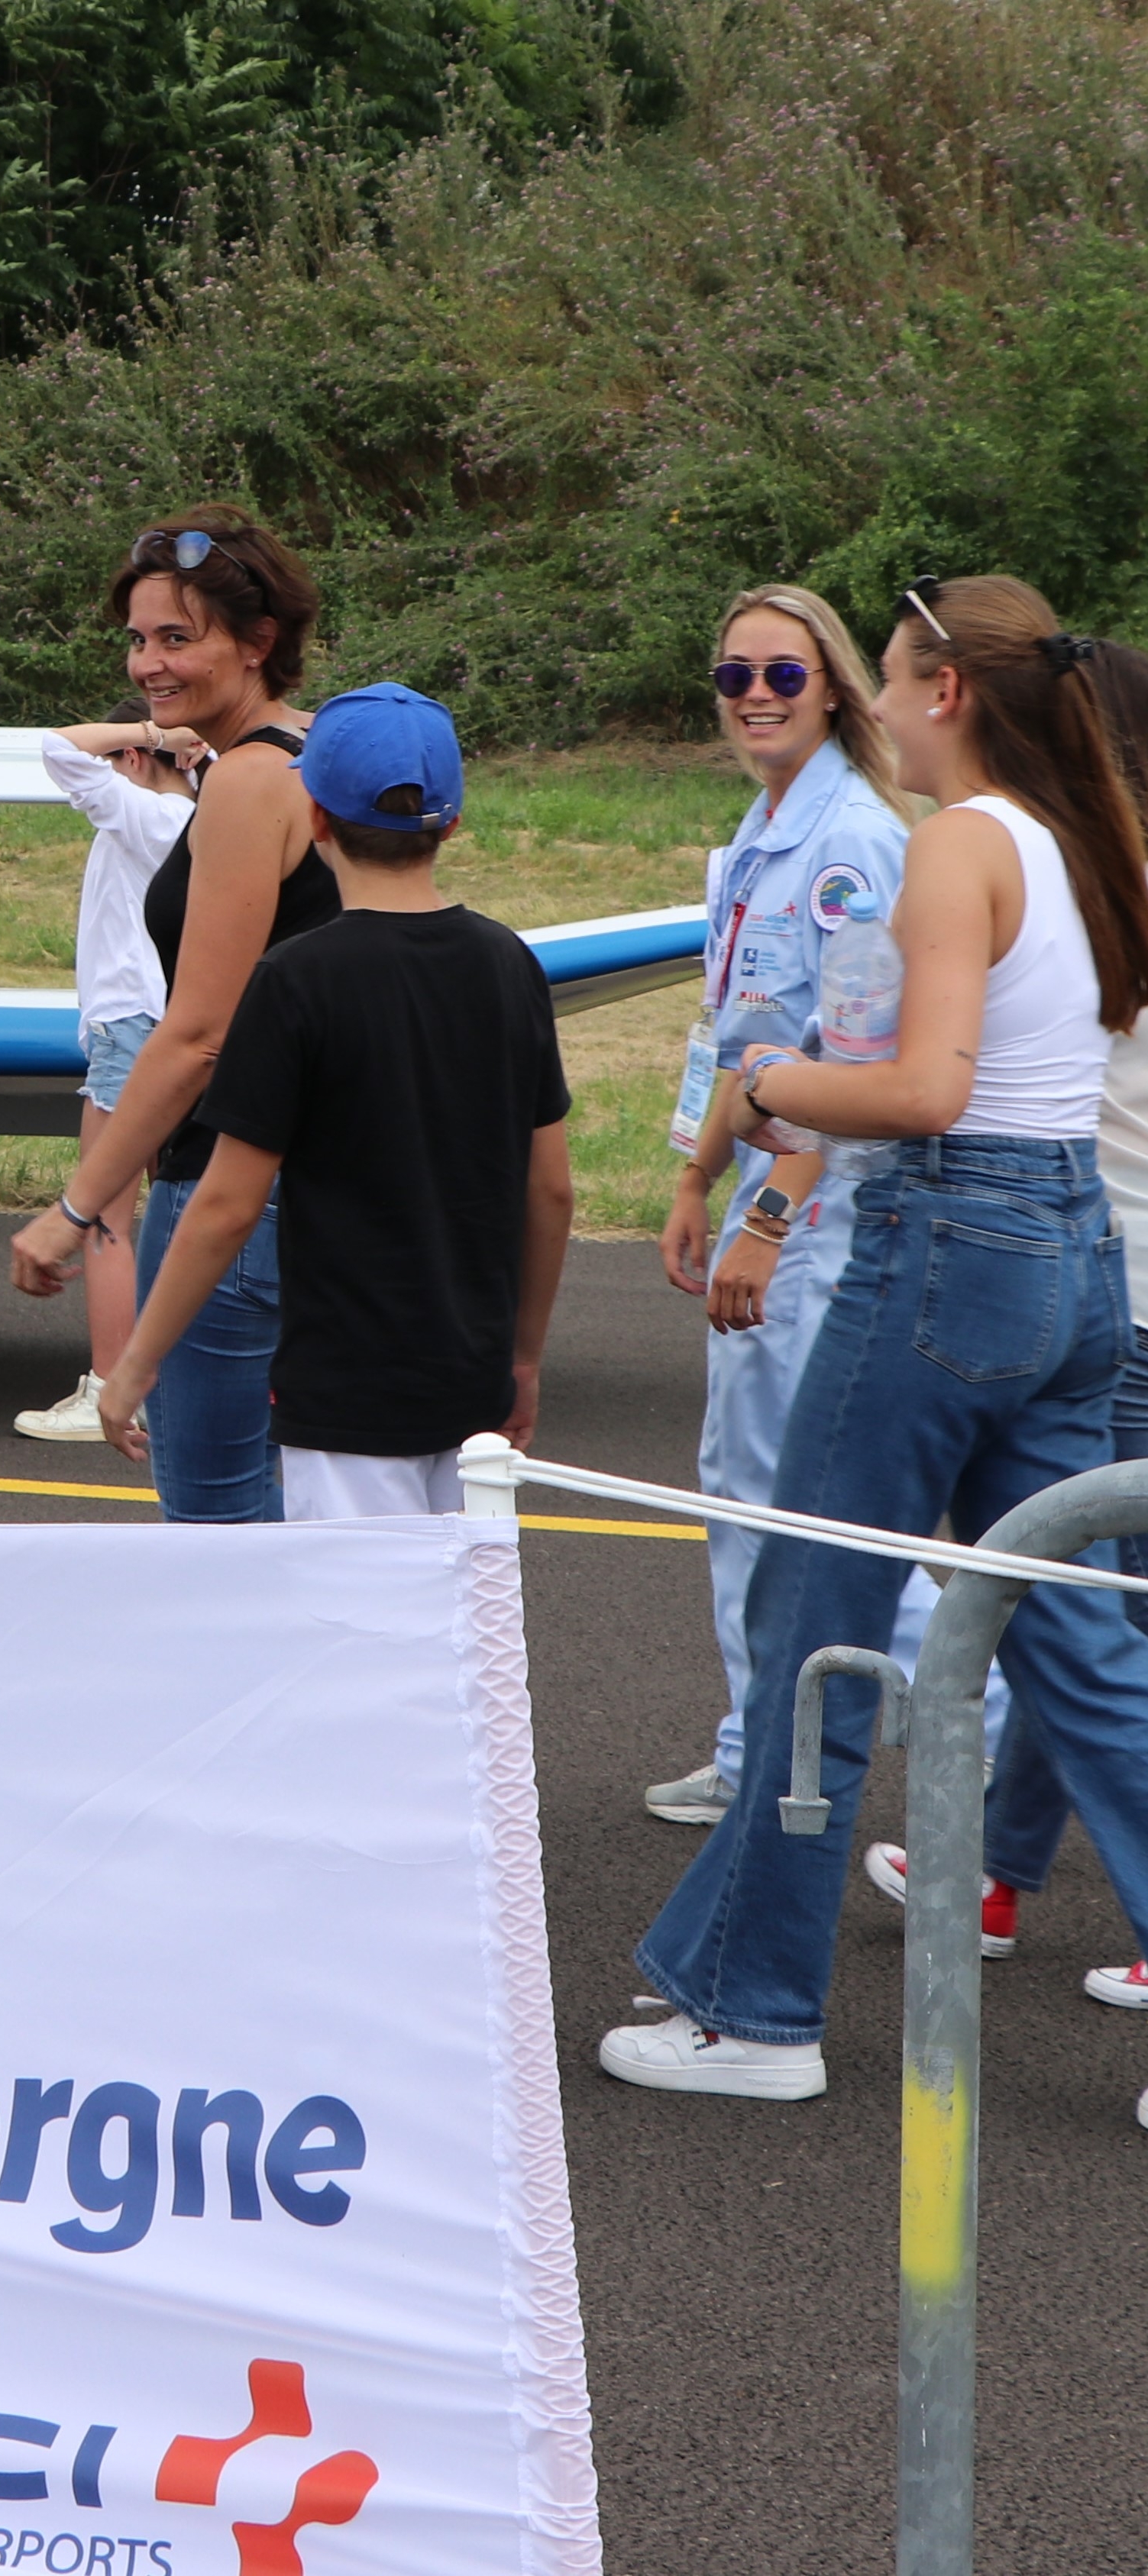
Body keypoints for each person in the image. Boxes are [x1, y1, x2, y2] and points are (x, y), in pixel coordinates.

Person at [604, 575, 1148, 2117]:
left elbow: (918, 1090)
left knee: (816, 1625)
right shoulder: (1067, 839)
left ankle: (755, 2008)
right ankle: (743, 1985)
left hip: (942, 1248)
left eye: (892, 681)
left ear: (942, 690)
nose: (878, 711)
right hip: (1065, 1251)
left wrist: (764, 1081)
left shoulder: (958, 844)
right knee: (1078, 1645)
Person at [646, 589, 1008, 1829]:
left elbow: (853, 1059)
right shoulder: (764, 827)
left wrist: (765, 1217)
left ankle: (991, 1725)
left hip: (820, 1211)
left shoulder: (848, 841)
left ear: (832, 688)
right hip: (768, 1191)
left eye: (781, 676)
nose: (753, 695)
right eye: (732, 673)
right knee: (746, 1480)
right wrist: (695, 1175)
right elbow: (748, 1037)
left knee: (805, 1499)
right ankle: (756, 1736)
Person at [94, 683, 573, 1516]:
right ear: (452, 824)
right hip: (469, 1382)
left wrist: (136, 1361)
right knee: (462, 1590)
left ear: (315, 818)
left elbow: (226, 1206)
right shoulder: (509, 963)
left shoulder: (295, 980)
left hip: (345, 1394)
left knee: (355, 1594)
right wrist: (522, 1358)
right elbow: (551, 1190)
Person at [862, 637, 1148, 2009]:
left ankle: (993, 1868)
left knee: (1088, 1619)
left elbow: (943, 1081)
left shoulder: (1077, 879)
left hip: (1102, 1276)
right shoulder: (1093, 877)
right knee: (1073, 1611)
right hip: (1103, 1277)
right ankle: (988, 1866)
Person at [8, 512, 334, 1520]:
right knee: (309, 1509)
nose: (147, 663)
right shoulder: (322, 752)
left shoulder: (245, 783)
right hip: (327, 1185)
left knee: (215, 1518)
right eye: (138, 638)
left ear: (257, 641)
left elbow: (197, 1035)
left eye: (176, 638)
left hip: (234, 1192)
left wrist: (72, 1211)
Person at [13, 696, 198, 1441]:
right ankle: (173, 1379)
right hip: (180, 1026)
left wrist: (149, 730)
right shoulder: (207, 817)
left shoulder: (140, 811)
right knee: (179, 1207)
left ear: (134, 759)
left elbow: (58, 746)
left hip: (129, 1028)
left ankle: (107, 1388)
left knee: (104, 1220)